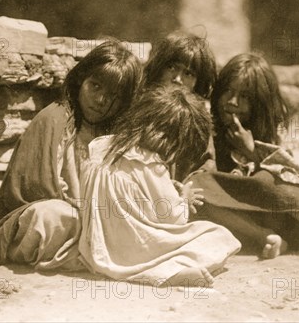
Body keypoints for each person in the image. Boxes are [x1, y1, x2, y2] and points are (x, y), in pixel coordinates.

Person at [0, 40, 142, 271]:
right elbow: (36, 189)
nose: (101, 100)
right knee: (49, 217)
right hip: (62, 216)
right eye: (95, 86)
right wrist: (85, 210)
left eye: (113, 95)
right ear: (81, 78)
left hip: (97, 217)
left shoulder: (116, 133)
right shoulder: (55, 119)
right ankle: (97, 255)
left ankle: (91, 254)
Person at [189, 53, 299, 266]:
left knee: (272, 176)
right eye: (228, 92)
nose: (232, 103)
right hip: (233, 217)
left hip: (276, 211)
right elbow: (204, 171)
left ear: (258, 101)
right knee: (197, 187)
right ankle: (265, 237)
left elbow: (292, 173)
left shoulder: (271, 125)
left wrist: (251, 151)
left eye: (244, 97)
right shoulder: (206, 119)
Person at [79, 86, 241, 287]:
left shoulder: (101, 146)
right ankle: (169, 272)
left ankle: (154, 270)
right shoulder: (152, 163)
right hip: (135, 248)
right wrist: (184, 198)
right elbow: (173, 218)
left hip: (97, 248)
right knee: (217, 235)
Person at [143, 30, 217, 180]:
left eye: (188, 74)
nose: (177, 79)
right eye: (171, 68)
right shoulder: (137, 105)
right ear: (159, 67)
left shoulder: (198, 125)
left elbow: (204, 170)